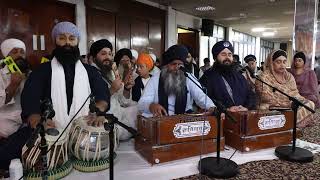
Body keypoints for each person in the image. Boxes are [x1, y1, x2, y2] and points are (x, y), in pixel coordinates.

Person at [21, 21, 110, 132]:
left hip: (84, 129)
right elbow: (30, 97)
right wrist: (36, 118)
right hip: (50, 130)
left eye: (72, 39)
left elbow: (102, 93)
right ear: (55, 42)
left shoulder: (90, 71)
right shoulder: (42, 70)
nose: (67, 43)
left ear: (77, 42)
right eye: (62, 38)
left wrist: (99, 111)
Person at [138, 45, 216, 117]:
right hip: (161, 121)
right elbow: (141, 103)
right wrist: (151, 105)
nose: (177, 67)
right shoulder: (155, 80)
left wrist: (210, 107)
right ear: (166, 65)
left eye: (180, 64)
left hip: (184, 121)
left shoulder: (188, 77)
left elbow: (201, 96)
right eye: (173, 64)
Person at [89, 39, 138, 140]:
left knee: (141, 109)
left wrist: (127, 89)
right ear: (94, 58)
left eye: (110, 54)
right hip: (103, 119)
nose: (108, 57)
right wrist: (111, 90)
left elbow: (122, 101)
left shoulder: (109, 73)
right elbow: (91, 104)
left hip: (118, 114)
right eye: (103, 54)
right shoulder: (90, 74)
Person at [255, 49, 315, 126]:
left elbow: (295, 93)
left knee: (310, 104)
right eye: (278, 62)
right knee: (266, 109)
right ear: (271, 63)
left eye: (284, 62)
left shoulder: (289, 76)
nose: (282, 65)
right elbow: (266, 98)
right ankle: (288, 124)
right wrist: (287, 103)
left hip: (289, 104)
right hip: (272, 107)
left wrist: (300, 100)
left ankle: (289, 124)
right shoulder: (263, 77)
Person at [0, 38, 32, 170]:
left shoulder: (30, 74)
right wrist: (13, 85)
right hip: (4, 131)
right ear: (6, 56)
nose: (19, 55)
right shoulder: (1, 75)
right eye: (14, 52)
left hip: (24, 128)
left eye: (22, 52)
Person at [200, 41, 256, 112]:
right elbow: (204, 100)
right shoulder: (207, 77)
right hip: (220, 119)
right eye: (223, 54)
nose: (227, 57)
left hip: (242, 117)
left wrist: (246, 108)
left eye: (230, 55)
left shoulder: (239, 76)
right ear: (215, 57)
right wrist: (226, 110)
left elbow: (251, 96)